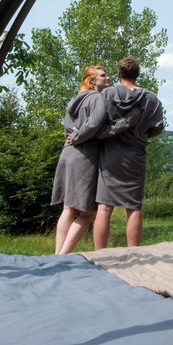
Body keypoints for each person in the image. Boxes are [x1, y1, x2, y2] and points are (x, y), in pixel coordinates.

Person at [93, 57, 164, 249]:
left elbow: (97, 122)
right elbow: (158, 128)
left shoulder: (107, 94)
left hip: (110, 154)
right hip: (135, 155)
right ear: (138, 74)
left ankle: (100, 255)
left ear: (119, 74)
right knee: (133, 207)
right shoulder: (151, 99)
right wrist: (141, 135)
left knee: (104, 206)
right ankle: (134, 254)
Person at [51, 64, 111, 254]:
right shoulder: (98, 98)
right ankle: (62, 256)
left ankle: (56, 256)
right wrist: (80, 136)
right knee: (87, 213)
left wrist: (75, 135)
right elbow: (95, 123)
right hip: (84, 156)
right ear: (93, 80)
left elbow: (69, 129)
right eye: (103, 76)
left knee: (68, 208)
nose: (108, 78)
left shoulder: (74, 100)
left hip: (67, 154)